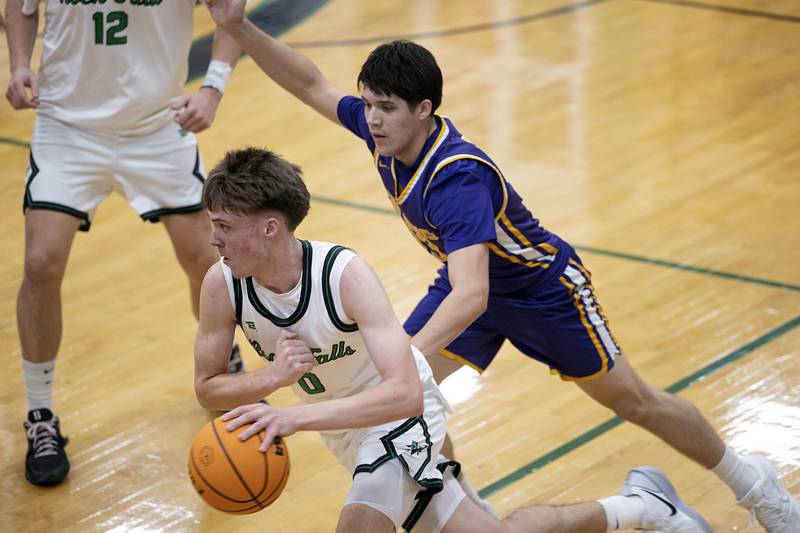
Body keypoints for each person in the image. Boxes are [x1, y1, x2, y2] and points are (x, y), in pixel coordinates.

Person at [202, 3, 800, 532]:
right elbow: (310, 83)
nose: (373, 118)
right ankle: (462, 507)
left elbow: (471, 297)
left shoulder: (457, 178)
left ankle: (755, 487)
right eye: (370, 105)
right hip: (471, 283)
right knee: (408, 397)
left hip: (540, 292)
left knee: (635, 401)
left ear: (425, 109)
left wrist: (404, 364)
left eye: (386, 108)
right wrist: (239, 27)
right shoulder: (388, 135)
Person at [194, 145, 712, 533]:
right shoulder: (223, 284)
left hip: (398, 411)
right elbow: (207, 387)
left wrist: (292, 415)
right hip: (343, 427)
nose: (212, 239)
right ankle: (642, 506)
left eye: (223, 226)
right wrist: (272, 378)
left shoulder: (345, 275)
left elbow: (405, 392)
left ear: (268, 229)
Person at [6, 0, 244, 486]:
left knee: (205, 261)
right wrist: (19, 64)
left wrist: (213, 88)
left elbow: (232, 13)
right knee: (40, 262)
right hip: (67, 128)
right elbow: (20, 6)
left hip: (157, 127)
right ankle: (40, 414)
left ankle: (224, 368)